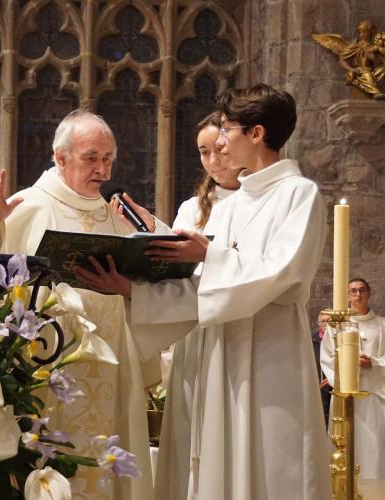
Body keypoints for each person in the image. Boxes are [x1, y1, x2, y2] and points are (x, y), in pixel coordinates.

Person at [77, 83, 331, 499]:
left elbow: (284, 275)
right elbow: (199, 290)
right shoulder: (231, 206)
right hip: (218, 358)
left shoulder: (299, 195)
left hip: (270, 356)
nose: (222, 141)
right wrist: (132, 290)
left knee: (270, 464)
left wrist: (209, 255)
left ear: (257, 133)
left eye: (228, 129)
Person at [0, 110, 158, 500]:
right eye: (91, 158)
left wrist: (149, 239)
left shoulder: (117, 216)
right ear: (60, 157)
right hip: (47, 373)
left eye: (108, 159)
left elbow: (156, 276)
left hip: (112, 368)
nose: (103, 170)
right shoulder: (28, 205)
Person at [107, 110, 241, 499]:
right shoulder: (191, 209)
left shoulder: (257, 203)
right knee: (190, 436)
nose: (213, 161)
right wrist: (152, 231)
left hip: (238, 333)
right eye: (203, 152)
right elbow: (177, 272)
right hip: (193, 334)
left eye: (219, 150)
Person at [320, 278, 385, 479]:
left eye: (362, 290)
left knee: (376, 443)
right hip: (346, 393)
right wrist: (348, 365)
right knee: (346, 440)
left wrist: (372, 363)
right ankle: (342, 486)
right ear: (347, 295)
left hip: (375, 393)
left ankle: (380, 485)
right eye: (353, 291)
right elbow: (327, 356)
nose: (358, 294)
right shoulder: (336, 326)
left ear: (369, 294)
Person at [313, 311, 333, 420]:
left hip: (334, 385)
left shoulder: (339, 339)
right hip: (318, 386)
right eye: (323, 321)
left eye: (329, 321)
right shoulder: (312, 342)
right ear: (318, 323)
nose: (326, 324)